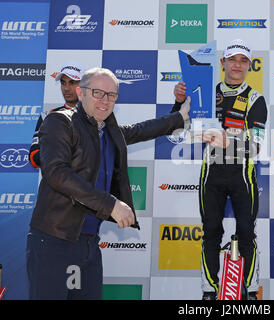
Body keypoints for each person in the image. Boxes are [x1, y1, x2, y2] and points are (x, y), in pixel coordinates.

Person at [26, 67, 190, 299]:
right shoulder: (58, 121)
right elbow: (56, 172)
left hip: (88, 244)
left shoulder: (106, 129)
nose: (105, 100)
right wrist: (111, 204)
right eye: (97, 93)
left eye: (111, 95)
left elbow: (141, 130)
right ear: (81, 93)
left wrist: (179, 117)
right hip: (53, 241)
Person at [172, 39, 267, 300]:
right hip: (211, 172)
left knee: (246, 231)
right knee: (211, 231)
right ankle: (208, 291)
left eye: (243, 61)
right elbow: (179, 131)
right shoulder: (204, 92)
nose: (237, 65)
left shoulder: (256, 99)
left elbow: (257, 148)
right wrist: (180, 101)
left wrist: (228, 141)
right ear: (222, 63)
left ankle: (249, 291)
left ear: (249, 65)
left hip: (242, 175)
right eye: (232, 60)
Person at [29, 62, 84, 168]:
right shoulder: (48, 116)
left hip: (87, 183)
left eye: (72, 83)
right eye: (63, 83)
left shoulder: (95, 116)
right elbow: (34, 158)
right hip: (56, 183)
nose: (66, 88)